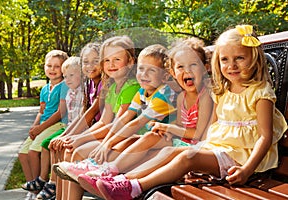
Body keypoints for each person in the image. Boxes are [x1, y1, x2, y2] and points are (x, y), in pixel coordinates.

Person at [95, 25, 288, 200]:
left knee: (187, 158)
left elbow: (265, 136)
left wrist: (246, 170)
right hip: (220, 150)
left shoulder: (260, 93)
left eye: (239, 58)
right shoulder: (223, 91)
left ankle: (135, 188)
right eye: (225, 60)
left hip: (243, 159)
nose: (232, 65)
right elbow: (213, 130)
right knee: (174, 151)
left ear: (253, 57)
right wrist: (201, 153)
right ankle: (123, 180)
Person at [77, 37, 213, 197]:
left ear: (205, 68)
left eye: (193, 65)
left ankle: (121, 179)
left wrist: (167, 127)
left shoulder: (203, 97)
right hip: (178, 141)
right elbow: (179, 126)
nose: (187, 71)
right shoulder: (182, 97)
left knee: (146, 141)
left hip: (194, 147)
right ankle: (110, 172)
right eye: (181, 66)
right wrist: (170, 130)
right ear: (173, 72)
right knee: (148, 137)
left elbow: (197, 134)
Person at [55, 44, 178, 200]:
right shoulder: (142, 91)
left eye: (151, 70)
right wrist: (106, 143)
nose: (144, 74)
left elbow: (137, 123)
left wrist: (106, 144)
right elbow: (124, 119)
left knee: (127, 143)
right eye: (141, 69)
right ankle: (94, 169)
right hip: (144, 139)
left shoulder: (163, 94)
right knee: (121, 143)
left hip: (166, 141)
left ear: (165, 76)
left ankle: (105, 171)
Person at [54, 35, 141, 200]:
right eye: (107, 60)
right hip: (113, 136)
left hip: (127, 141)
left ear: (130, 62)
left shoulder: (131, 87)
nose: (111, 64)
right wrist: (77, 137)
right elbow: (104, 121)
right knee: (70, 148)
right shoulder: (112, 86)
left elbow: (118, 125)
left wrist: (80, 140)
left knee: (77, 151)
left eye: (117, 59)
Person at [21, 56, 83, 200]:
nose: (52, 69)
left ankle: (44, 183)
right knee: (24, 153)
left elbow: (62, 112)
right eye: (49, 65)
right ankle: (36, 187)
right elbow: (41, 110)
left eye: (57, 66)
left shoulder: (67, 88)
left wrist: (41, 128)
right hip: (58, 126)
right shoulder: (47, 89)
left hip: (63, 126)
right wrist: (35, 125)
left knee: (40, 148)